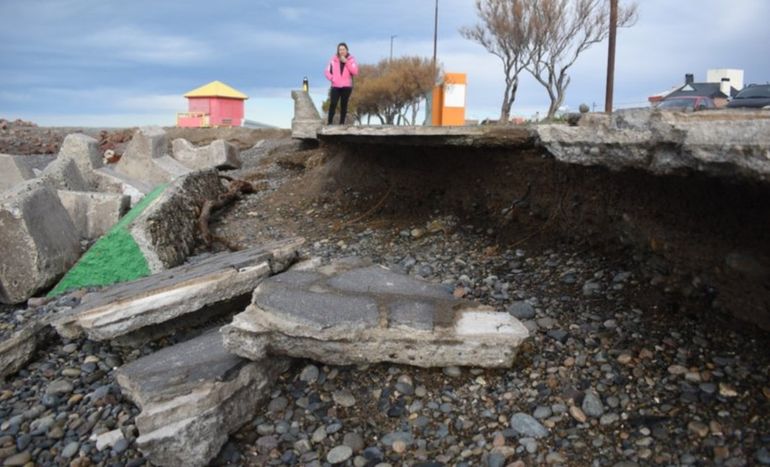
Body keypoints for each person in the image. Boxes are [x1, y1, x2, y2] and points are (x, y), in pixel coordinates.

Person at [324, 42, 359, 125]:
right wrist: (332, 78)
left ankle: (342, 123)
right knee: (333, 104)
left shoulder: (351, 60)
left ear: (347, 50)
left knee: (344, 105)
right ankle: (329, 123)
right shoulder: (333, 60)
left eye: (343, 49)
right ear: (338, 51)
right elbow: (326, 72)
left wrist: (346, 62)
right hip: (335, 86)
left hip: (347, 86)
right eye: (340, 49)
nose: (342, 51)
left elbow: (355, 72)